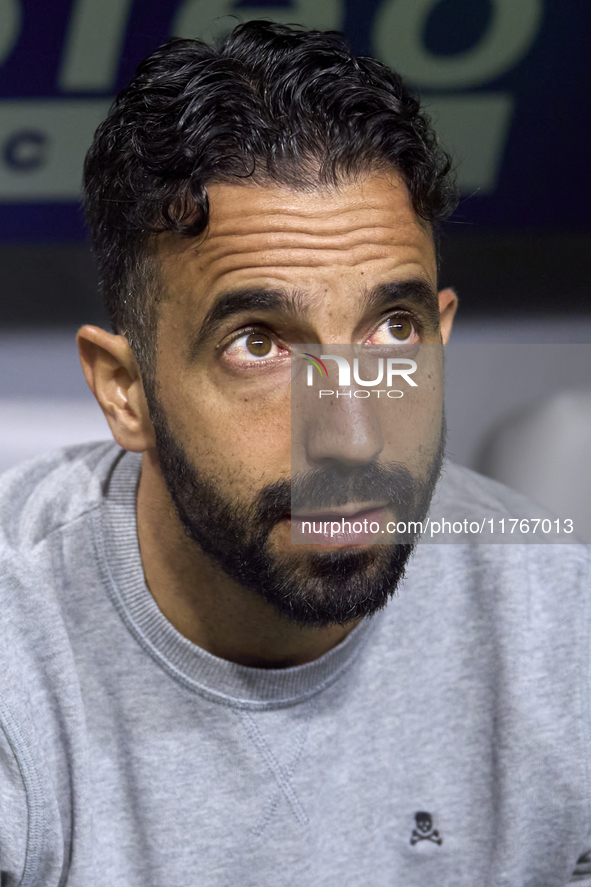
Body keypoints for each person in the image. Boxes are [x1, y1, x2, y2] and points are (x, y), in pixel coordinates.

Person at [0, 21, 589, 887]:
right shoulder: (18, 653)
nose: (351, 438)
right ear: (126, 391)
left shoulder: (563, 627)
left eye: (394, 331)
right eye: (258, 344)